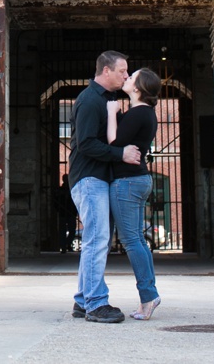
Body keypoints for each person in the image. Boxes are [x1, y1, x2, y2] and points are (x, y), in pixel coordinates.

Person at [68, 51, 141, 324]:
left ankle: (82, 300)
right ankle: (96, 304)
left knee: (96, 239)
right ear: (106, 71)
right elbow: (85, 143)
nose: (125, 76)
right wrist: (120, 154)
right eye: (122, 71)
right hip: (89, 178)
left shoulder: (107, 100)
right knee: (97, 240)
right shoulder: (89, 101)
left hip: (95, 178)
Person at [106, 67, 163, 321]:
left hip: (127, 181)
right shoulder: (146, 113)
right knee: (138, 240)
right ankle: (149, 295)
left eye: (132, 77)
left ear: (138, 88)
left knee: (131, 242)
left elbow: (113, 143)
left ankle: (148, 296)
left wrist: (111, 113)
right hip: (139, 179)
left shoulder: (138, 112)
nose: (127, 78)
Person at [55, 174, 76, 253]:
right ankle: (64, 246)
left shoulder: (73, 189)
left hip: (71, 213)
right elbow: (56, 201)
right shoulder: (60, 190)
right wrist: (58, 209)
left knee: (72, 230)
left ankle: (67, 243)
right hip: (63, 213)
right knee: (62, 231)